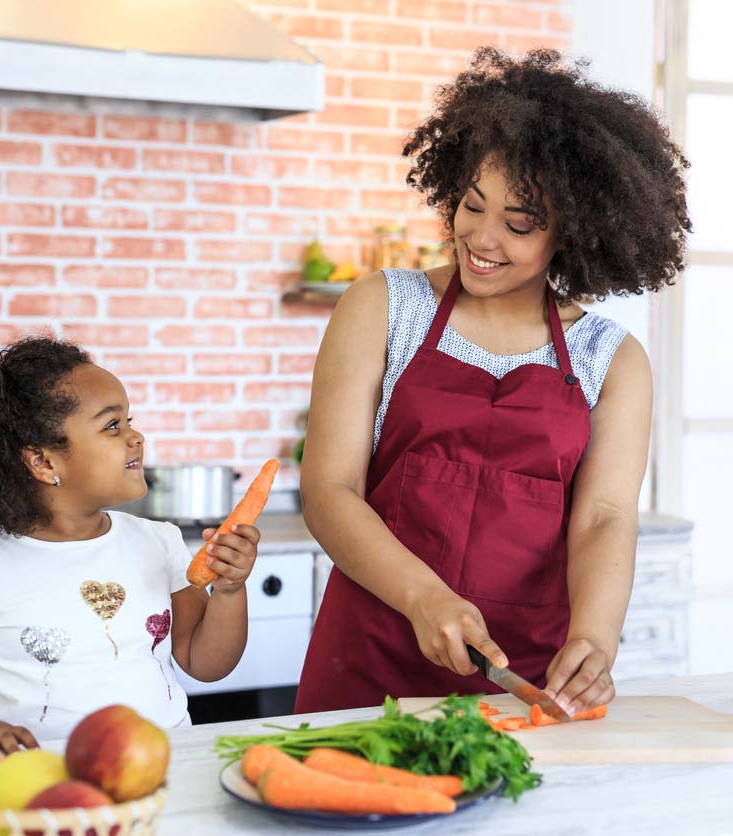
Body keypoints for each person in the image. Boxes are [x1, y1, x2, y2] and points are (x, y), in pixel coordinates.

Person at [295, 47, 690, 715]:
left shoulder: (611, 359)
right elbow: (329, 489)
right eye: (472, 206)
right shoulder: (383, 308)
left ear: (573, 231)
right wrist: (424, 597)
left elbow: (603, 517)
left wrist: (594, 637)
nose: (481, 237)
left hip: (524, 675)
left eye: (519, 224)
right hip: (369, 657)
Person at [0, 336, 260, 760]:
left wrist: (231, 590)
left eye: (129, 420)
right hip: (39, 777)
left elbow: (206, 663)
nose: (136, 437)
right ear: (44, 462)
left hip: (162, 764)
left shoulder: (159, 542)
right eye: (112, 426)